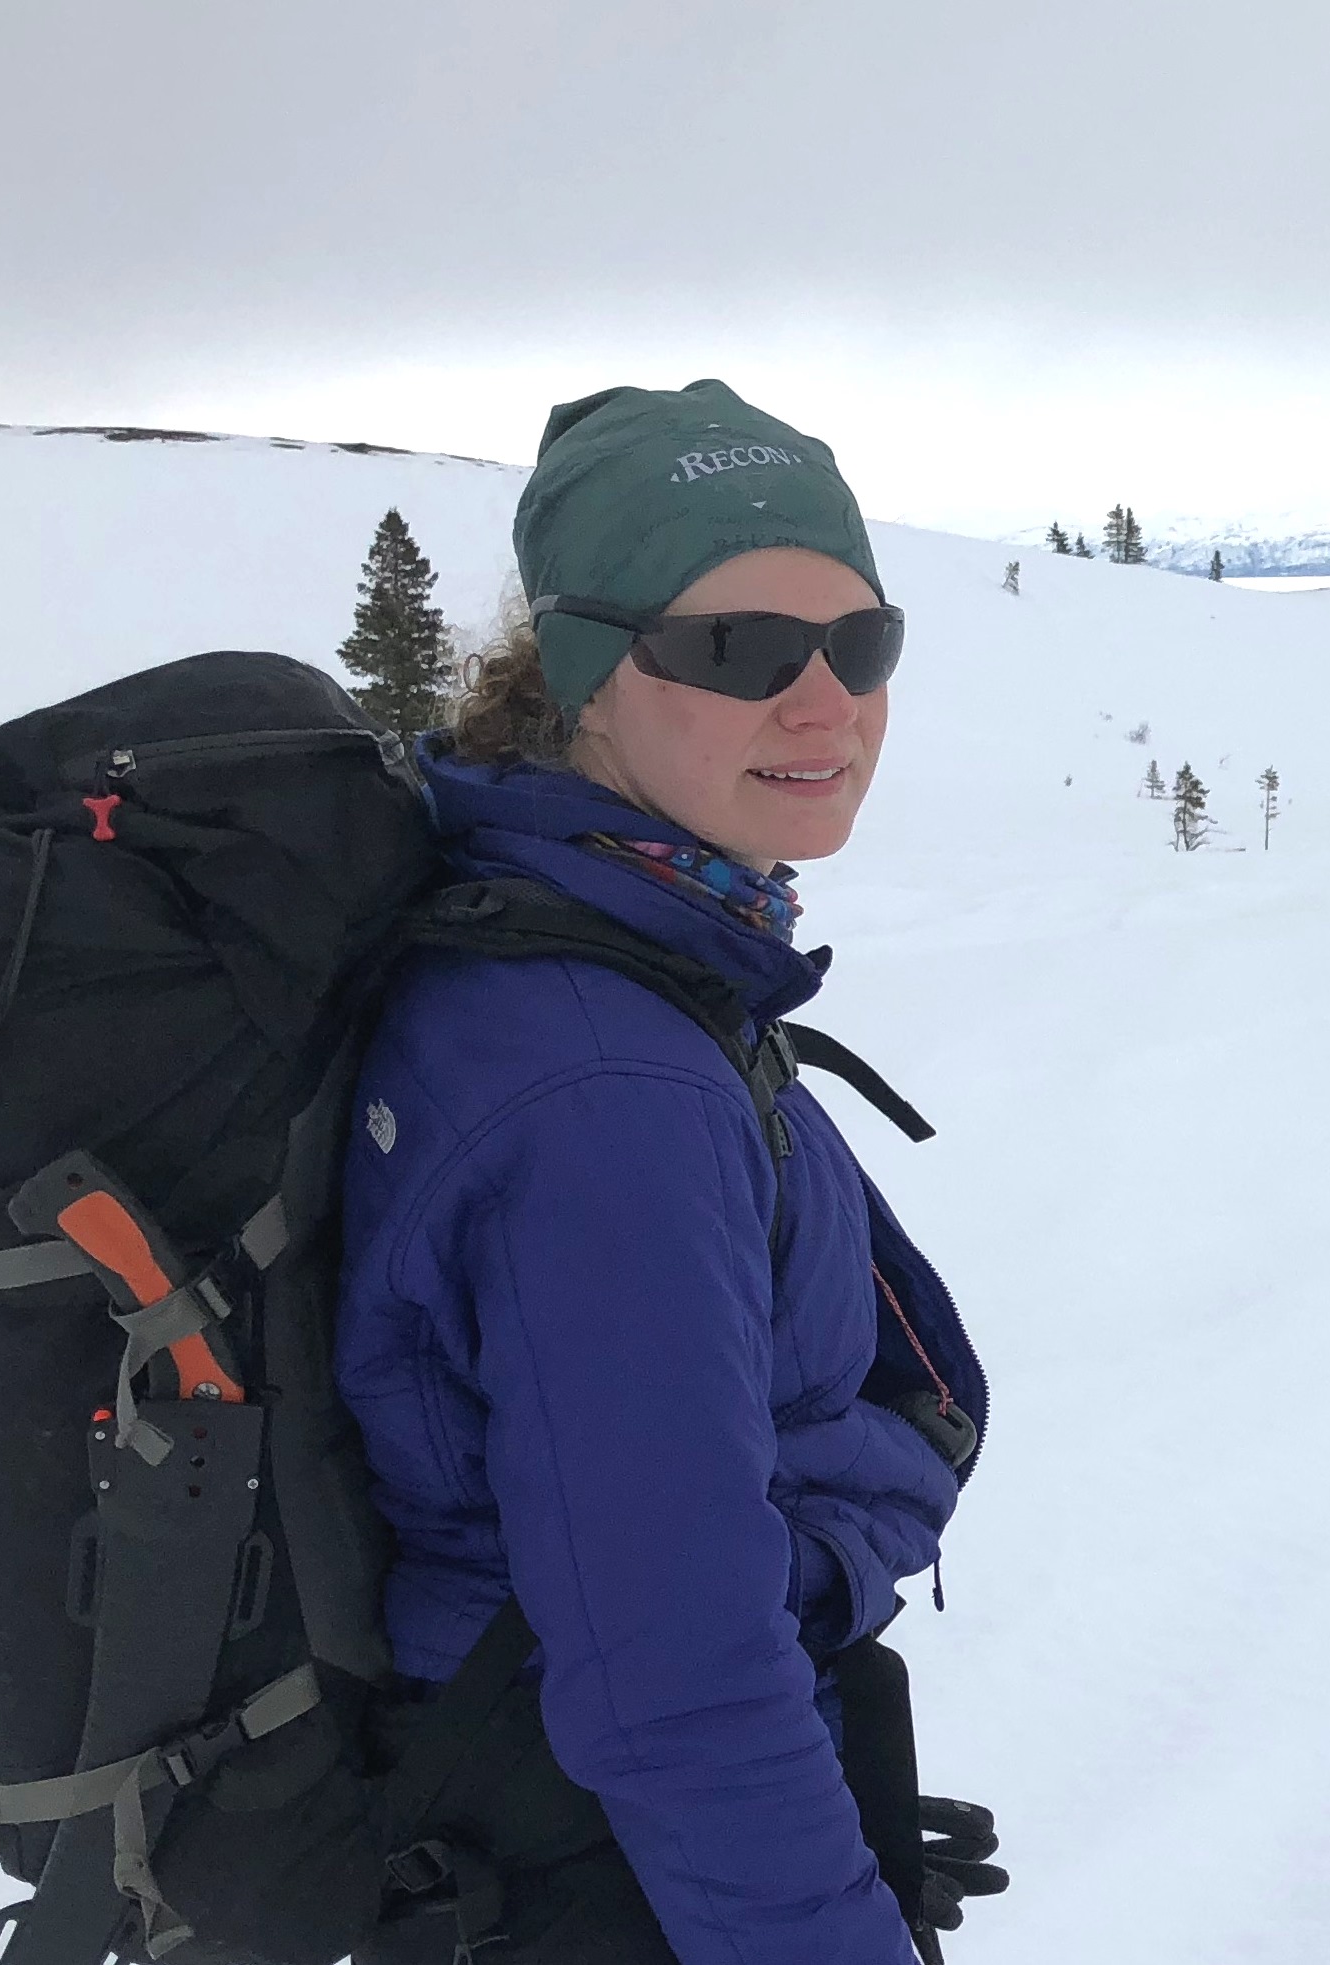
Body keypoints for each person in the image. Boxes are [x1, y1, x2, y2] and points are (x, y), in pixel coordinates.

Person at [336, 380, 989, 1965]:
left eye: (860, 642)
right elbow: (673, 1672)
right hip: (593, 1863)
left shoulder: (601, 953)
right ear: (580, 673)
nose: (824, 704)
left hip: (537, 1812)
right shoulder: (606, 1084)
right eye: (737, 647)